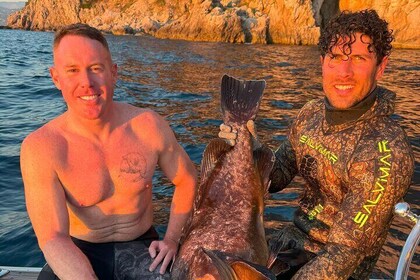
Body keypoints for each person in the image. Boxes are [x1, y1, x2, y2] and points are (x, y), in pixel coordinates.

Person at [219, 9, 414, 279]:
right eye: (335, 57)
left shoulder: (385, 151)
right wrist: (251, 148)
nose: (344, 72)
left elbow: (343, 254)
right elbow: (277, 178)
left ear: (381, 67)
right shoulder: (311, 113)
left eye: (358, 58)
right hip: (286, 246)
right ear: (323, 62)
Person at [20, 23, 197, 280]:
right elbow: (53, 238)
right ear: (56, 77)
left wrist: (172, 239)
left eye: (95, 68)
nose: (86, 83)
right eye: (72, 70)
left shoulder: (148, 126)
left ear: (113, 73)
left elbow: (187, 179)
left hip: (142, 246)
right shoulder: (43, 147)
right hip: (77, 249)